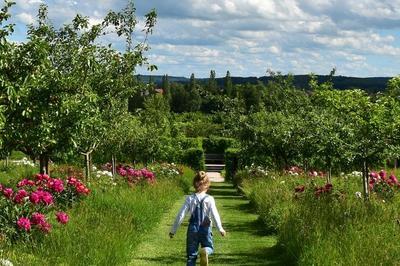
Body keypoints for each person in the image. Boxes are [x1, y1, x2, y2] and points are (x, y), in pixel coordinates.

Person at [169, 171, 226, 266]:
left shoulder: (190, 198)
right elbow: (215, 214)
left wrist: (173, 230)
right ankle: (206, 251)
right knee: (209, 247)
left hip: (193, 229)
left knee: (191, 256)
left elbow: (181, 215)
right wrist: (220, 228)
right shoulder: (210, 199)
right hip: (206, 228)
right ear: (207, 184)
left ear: (194, 184)